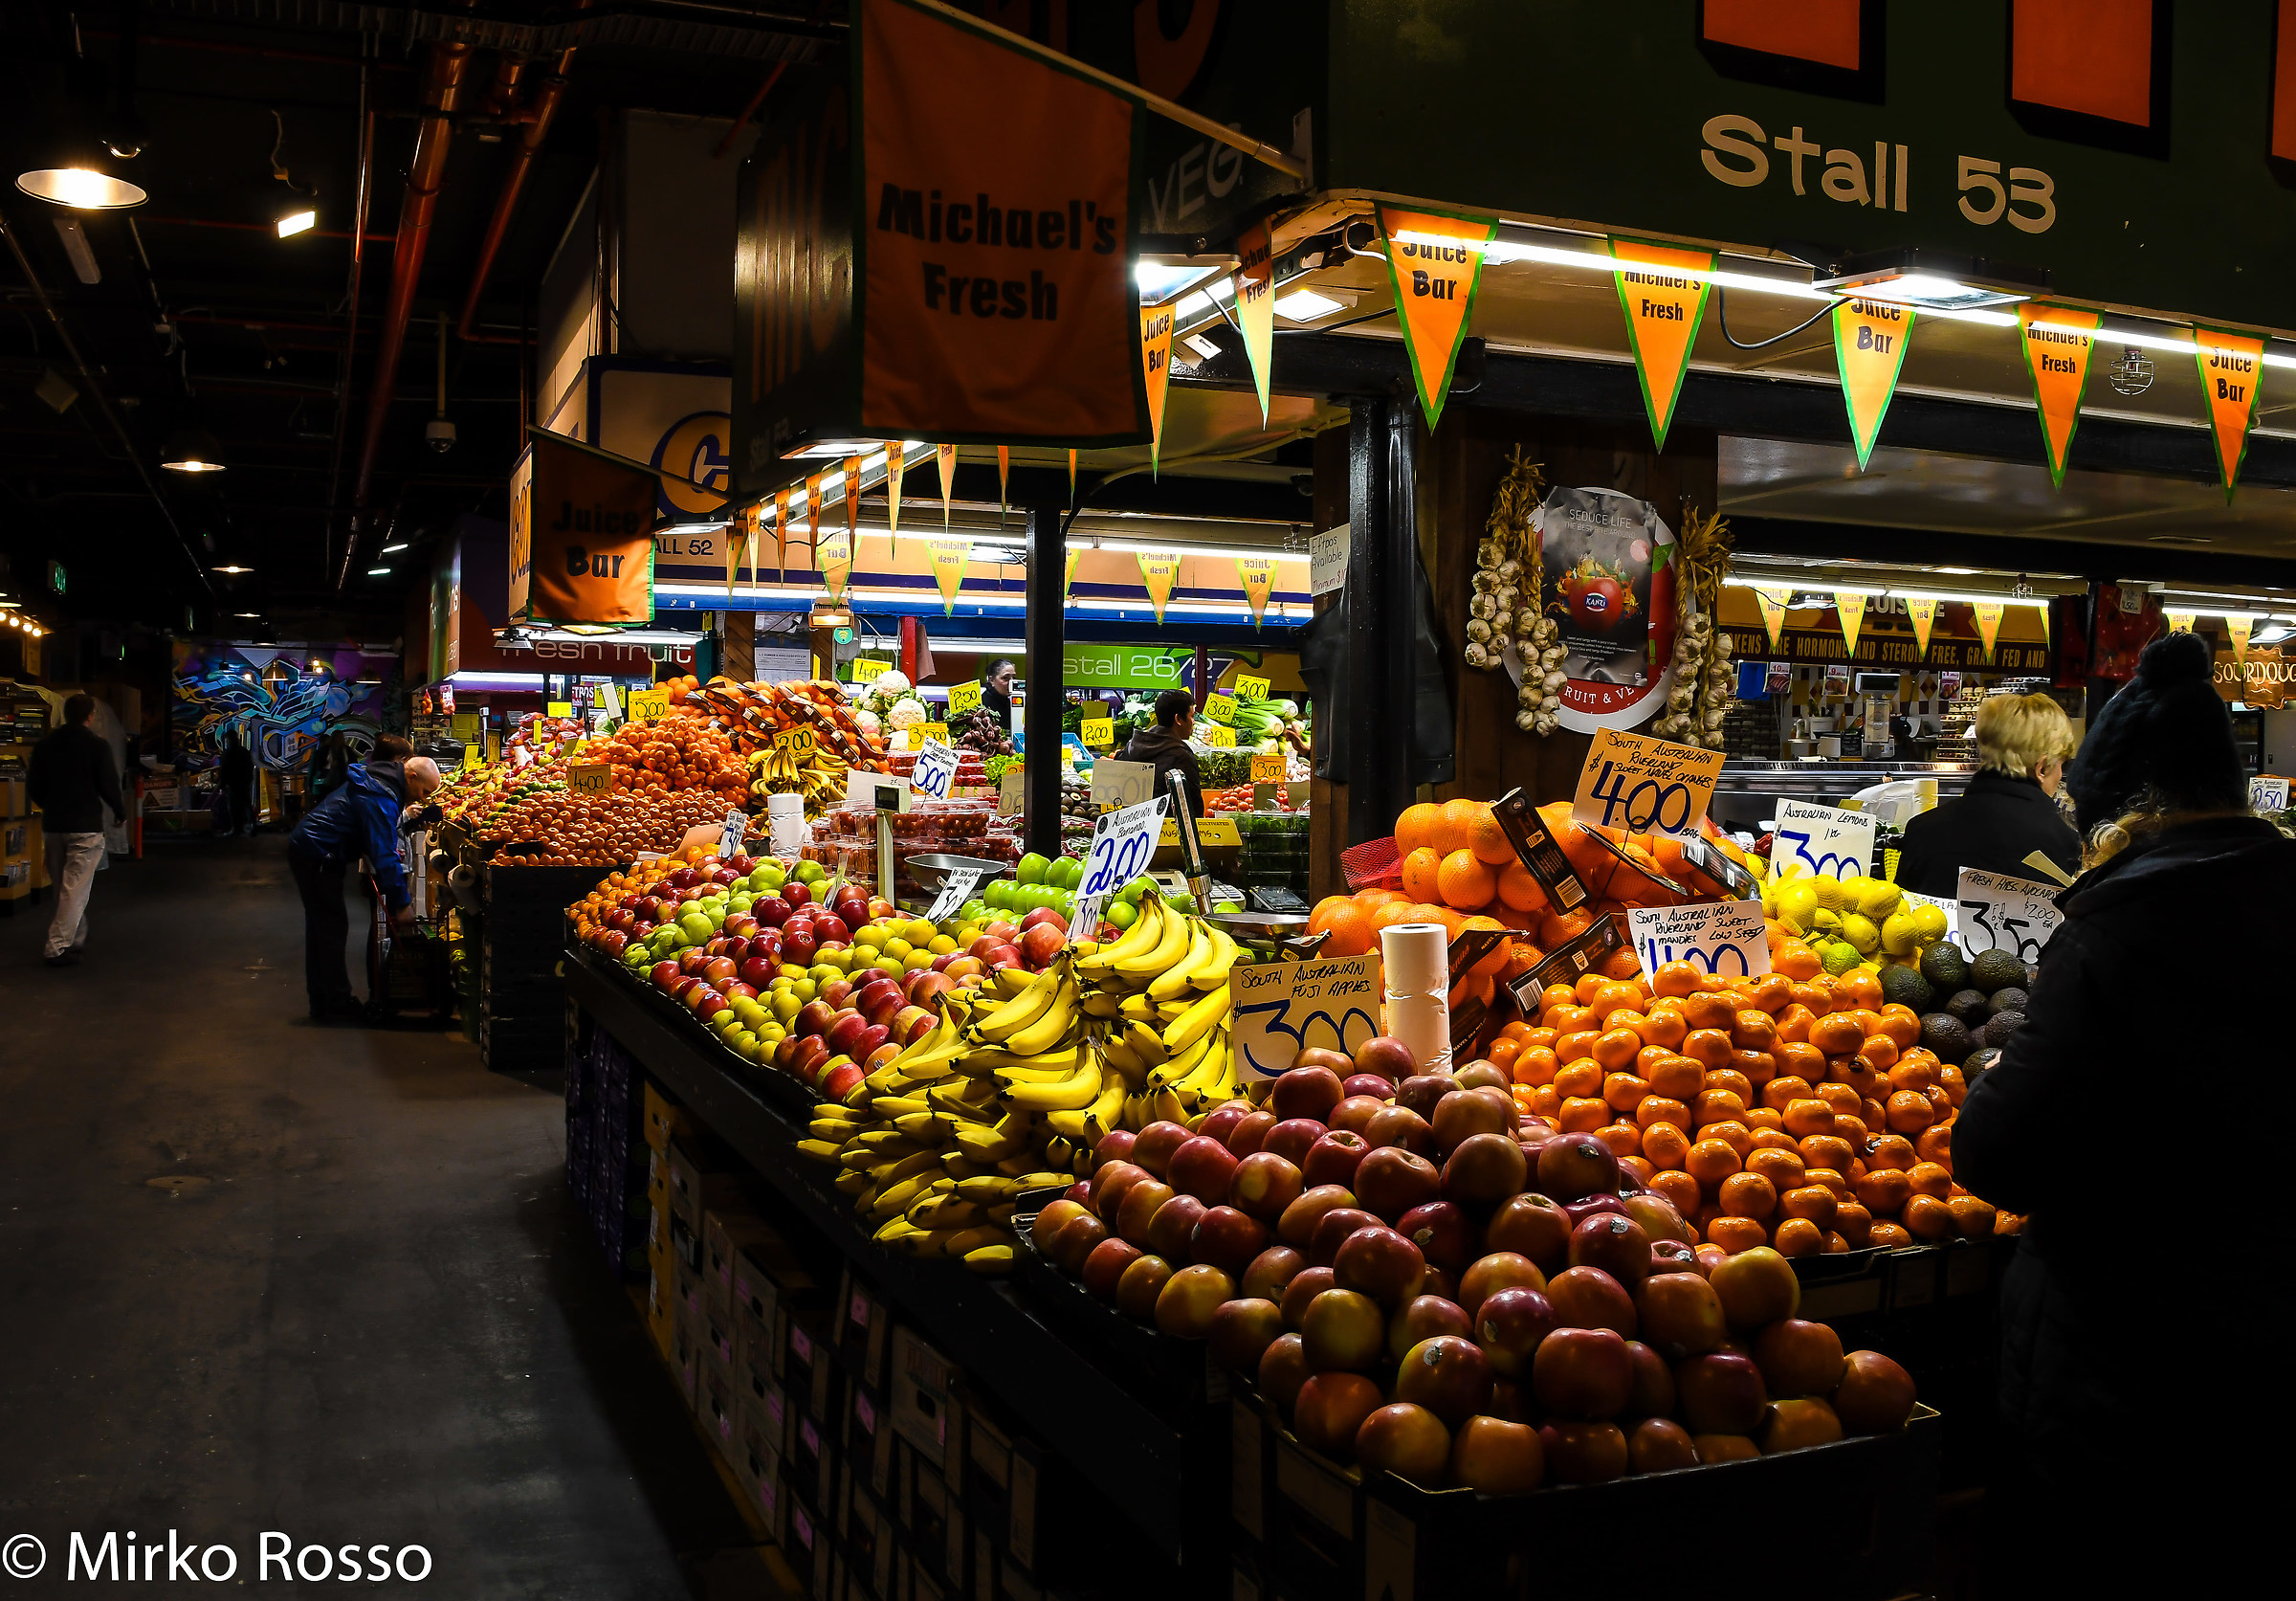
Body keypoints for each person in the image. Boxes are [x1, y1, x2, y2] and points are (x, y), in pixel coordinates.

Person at [1954, 633, 2291, 1588]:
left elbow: (1997, 1154)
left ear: (2128, 815)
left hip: (2121, 1368)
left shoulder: (2114, 930)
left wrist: (1992, 1077)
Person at [285, 752, 441, 1022]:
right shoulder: (380, 795)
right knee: (331, 927)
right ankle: (336, 1003)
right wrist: (401, 904)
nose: (424, 798)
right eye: (424, 791)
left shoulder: (380, 785)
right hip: (317, 852)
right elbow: (384, 853)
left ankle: (323, 1000)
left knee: (322, 926)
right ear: (411, 777)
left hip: (313, 848)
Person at [1892, 692, 2080, 895]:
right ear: (2042, 768)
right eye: (2062, 764)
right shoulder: (2067, 842)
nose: (2061, 775)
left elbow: (1901, 916)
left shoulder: (1922, 830)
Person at [28, 693, 125, 968]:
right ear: (90, 716)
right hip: (85, 828)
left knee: (63, 887)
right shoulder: (97, 746)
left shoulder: (45, 746)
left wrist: (49, 804)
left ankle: (76, 937)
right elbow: (109, 784)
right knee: (75, 890)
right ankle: (56, 947)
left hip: (54, 825)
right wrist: (120, 813)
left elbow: (34, 784)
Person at [1119, 688, 1203, 816]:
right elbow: (1192, 805)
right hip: (1167, 830)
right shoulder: (1181, 756)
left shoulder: (1132, 746)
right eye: (1192, 716)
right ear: (1178, 719)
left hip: (1133, 828)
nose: (1194, 722)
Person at [220, 730, 256, 836]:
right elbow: (250, 766)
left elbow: (224, 769)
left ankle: (236, 828)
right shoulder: (244, 751)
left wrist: (223, 783)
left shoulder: (228, 753)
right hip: (244, 782)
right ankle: (253, 826)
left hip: (233, 783)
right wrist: (249, 780)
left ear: (228, 740)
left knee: (233, 806)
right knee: (247, 805)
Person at [980, 657, 1017, 731]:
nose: (1012, 683)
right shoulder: (982, 704)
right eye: (1005, 678)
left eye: (1014, 677)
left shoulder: (1007, 701)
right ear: (992, 680)